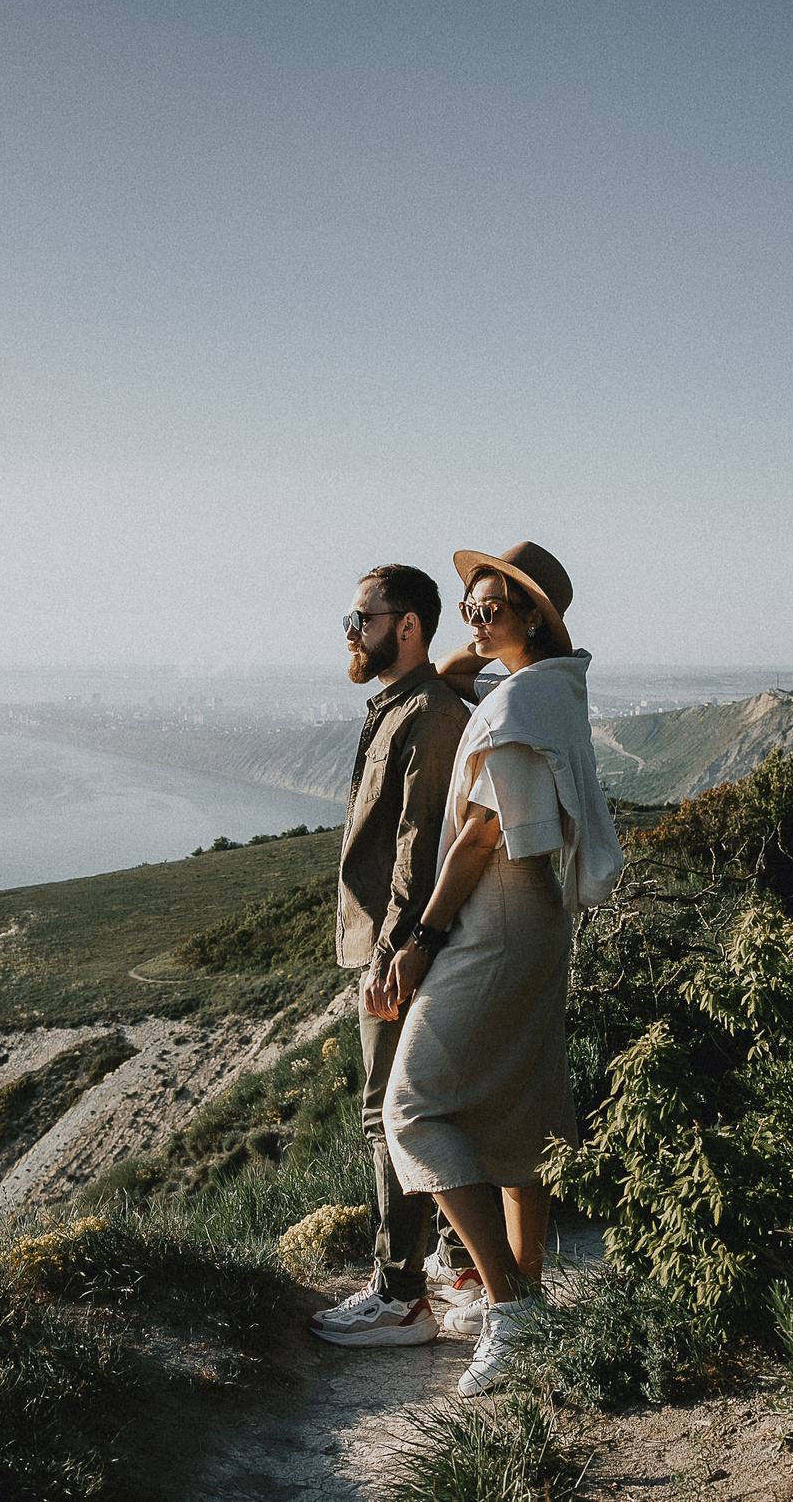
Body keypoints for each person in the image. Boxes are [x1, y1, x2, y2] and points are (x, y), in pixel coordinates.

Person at [371, 541, 624, 1395]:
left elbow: (479, 836)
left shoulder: (519, 709)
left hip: (499, 912)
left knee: (412, 1106)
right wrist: (480, 637)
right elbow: (451, 675)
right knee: (518, 1104)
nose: (474, 619)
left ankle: (510, 1306)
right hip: (533, 916)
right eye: (468, 606)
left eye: (491, 607)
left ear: (534, 617)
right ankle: (530, 1298)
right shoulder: (539, 689)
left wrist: (423, 938)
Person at [309, 564, 476, 1348]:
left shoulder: (430, 714)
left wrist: (394, 951)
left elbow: (418, 845)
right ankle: (448, 1259)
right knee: (419, 1105)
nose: (350, 630)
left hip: (397, 948)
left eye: (361, 617)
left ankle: (399, 1292)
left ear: (407, 624)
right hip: (382, 942)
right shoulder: (400, 704)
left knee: (389, 1113)